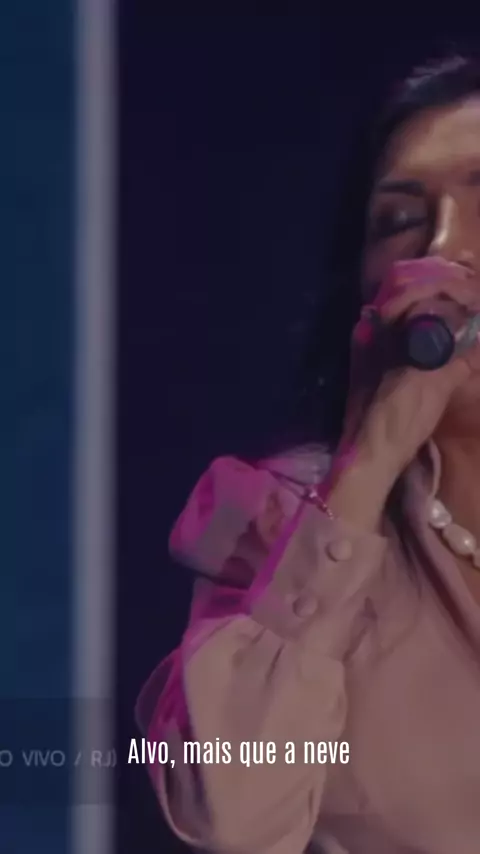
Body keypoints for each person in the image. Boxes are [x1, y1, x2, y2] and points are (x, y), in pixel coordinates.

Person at [136, 54, 480, 853]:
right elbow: (233, 815)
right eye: (399, 221)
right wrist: (367, 464)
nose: (444, 249)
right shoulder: (277, 523)